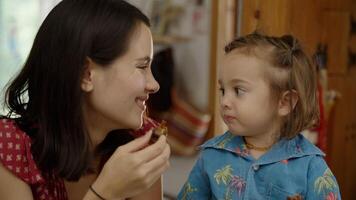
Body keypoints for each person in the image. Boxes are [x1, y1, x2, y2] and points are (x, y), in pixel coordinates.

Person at [0, 0, 171, 199]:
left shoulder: (140, 140)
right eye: (142, 67)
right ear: (86, 74)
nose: (154, 85)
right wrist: (106, 192)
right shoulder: (10, 148)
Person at [177, 33, 341, 199]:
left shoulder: (311, 168)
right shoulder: (211, 156)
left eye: (238, 90)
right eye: (223, 90)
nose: (224, 101)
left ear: (284, 102)